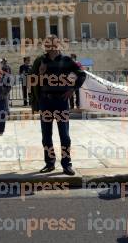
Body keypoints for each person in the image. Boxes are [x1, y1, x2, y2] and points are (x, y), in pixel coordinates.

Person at [30, 35, 86, 176]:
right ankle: (49, 163)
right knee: (46, 135)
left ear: (58, 44)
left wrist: (72, 89)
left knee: (64, 135)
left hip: (61, 101)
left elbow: (81, 75)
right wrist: (40, 73)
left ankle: (66, 164)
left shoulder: (67, 61)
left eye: (53, 43)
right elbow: (32, 80)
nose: (50, 46)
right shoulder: (40, 61)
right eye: (47, 43)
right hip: (46, 101)